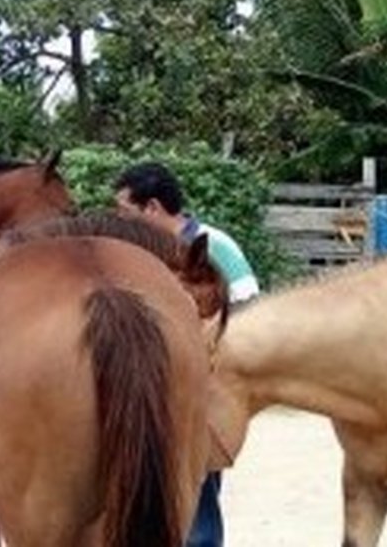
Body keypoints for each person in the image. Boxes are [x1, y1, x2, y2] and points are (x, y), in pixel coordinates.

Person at [114, 161, 259, 547]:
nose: (119, 220)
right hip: (146, 393)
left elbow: (249, 313)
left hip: (200, 393)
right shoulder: (137, 252)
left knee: (197, 502)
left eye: (125, 211)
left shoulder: (216, 246)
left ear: (153, 209)